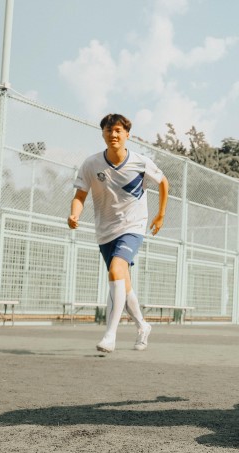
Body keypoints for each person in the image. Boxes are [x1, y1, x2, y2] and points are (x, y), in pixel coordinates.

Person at [68, 113, 169, 354]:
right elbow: (80, 195)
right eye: (108, 130)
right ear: (102, 134)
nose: (113, 135)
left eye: (118, 131)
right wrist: (74, 214)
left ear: (127, 135)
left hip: (133, 227)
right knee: (123, 284)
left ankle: (110, 335)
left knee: (116, 271)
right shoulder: (91, 164)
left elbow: (164, 182)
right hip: (105, 231)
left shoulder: (140, 162)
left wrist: (160, 214)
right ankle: (143, 326)